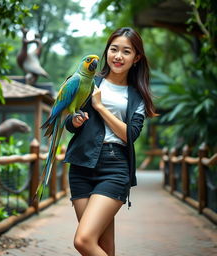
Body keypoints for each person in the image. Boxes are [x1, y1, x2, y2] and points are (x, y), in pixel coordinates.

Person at [64, 27, 157, 256]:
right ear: (107, 52)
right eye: (114, 49)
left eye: (126, 51)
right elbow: (67, 121)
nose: (118, 56)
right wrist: (74, 121)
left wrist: (100, 107)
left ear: (136, 58)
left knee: (83, 241)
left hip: (114, 168)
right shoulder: (89, 82)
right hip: (81, 165)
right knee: (103, 247)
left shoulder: (138, 96)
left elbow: (130, 135)